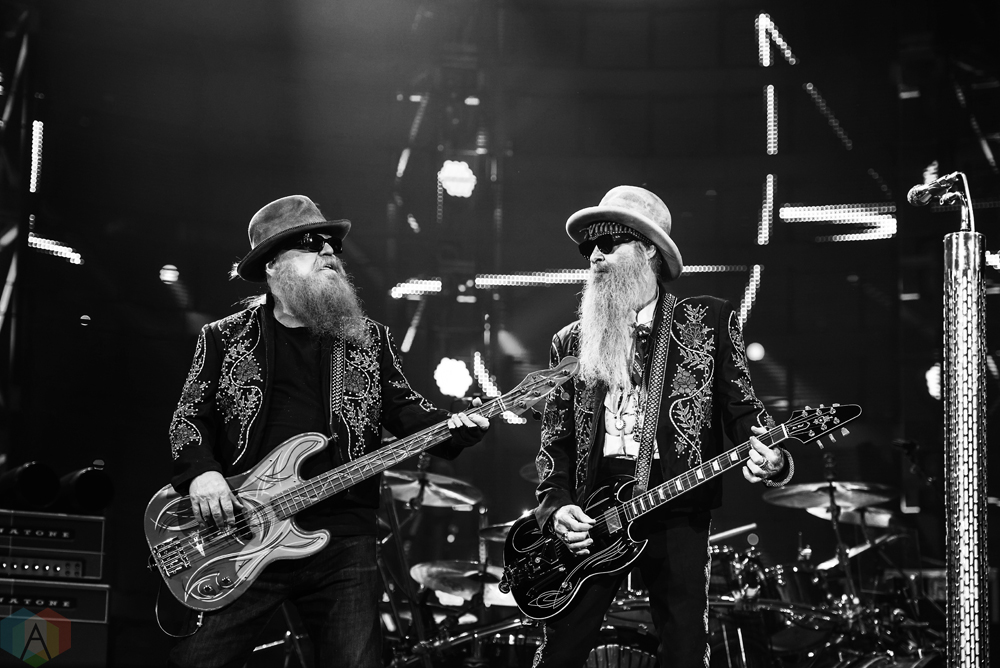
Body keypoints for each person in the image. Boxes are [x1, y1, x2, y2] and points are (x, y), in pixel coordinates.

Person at [166, 194, 490, 668]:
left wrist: (458, 428)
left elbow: (408, 412)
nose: (327, 253)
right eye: (308, 244)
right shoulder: (224, 337)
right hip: (244, 531)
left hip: (344, 539)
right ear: (272, 265)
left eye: (331, 245)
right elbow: (187, 418)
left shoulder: (368, 339)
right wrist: (201, 474)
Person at [532, 185, 793, 667]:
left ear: (648, 249)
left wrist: (772, 458)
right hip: (593, 514)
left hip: (677, 500)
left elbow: (743, 411)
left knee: (684, 651)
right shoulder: (570, 341)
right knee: (559, 652)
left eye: (607, 244)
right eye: (588, 248)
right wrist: (556, 505)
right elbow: (554, 440)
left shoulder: (707, 320)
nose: (594, 256)